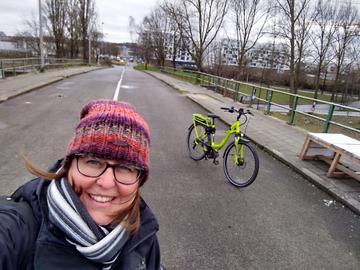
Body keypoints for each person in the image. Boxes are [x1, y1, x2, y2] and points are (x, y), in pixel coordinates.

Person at [0, 99, 161, 269]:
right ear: (68, 166)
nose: (106, 183)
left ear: (139, 179)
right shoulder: (15, 230)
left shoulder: (143, 233)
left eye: (126, 167)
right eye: (92, 162)